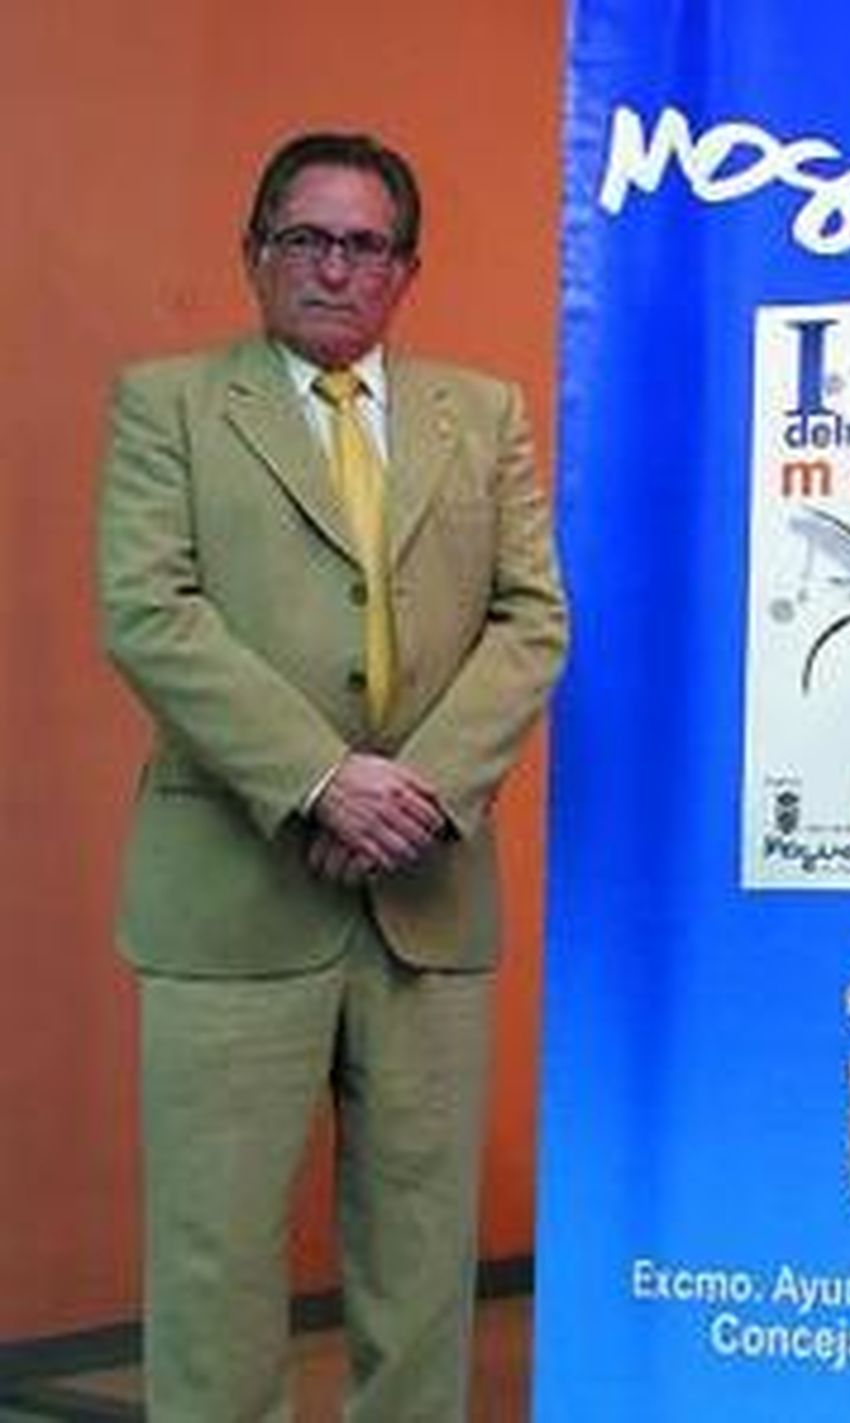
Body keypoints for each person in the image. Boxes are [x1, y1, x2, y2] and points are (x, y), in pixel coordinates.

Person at [97, 131, 569, 1421]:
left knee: (421, 1267)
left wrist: (412, 791)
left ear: (405, 271)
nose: (334, 267)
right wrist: (322, 780)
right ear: (254, 254)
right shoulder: (169, 405)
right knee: (215, 1261)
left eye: (365, 245)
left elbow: (534, 620)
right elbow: (149, 612)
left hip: (427, 899)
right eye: (304, 238)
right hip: (229, 899)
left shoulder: (484, 416)